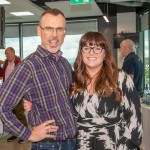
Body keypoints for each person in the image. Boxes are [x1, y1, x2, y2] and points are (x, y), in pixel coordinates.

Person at [24, 32, 142, 150]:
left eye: (97, 48)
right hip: (78, 144)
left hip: (114, 144)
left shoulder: (120, 78)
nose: (91, 52)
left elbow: (134, 121)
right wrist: (33, 103)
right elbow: (54, 100)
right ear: (81, 53)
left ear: (105, 53)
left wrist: (124, 147)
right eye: (86, 48)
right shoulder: (72, 78)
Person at [0, 9, 76, 150]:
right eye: (48, 29)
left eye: (59, 29)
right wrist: (28, 134)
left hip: (73, 142)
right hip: (49, 146)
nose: (54, 35)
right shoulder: (28, 66)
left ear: (64, 33)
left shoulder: (64, 63)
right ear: (39, 31)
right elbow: (2, 106)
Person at [0, 47, 28, 144]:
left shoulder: (19, 63)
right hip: (7, 93)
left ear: (13, 53)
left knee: (19, 113)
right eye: (5, 53)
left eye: (7, 53)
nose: (6, 55)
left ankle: (25, 135)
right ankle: (15, 133)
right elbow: (2, 74)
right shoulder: (6, 63)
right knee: (11, 115)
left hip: (17, 93)